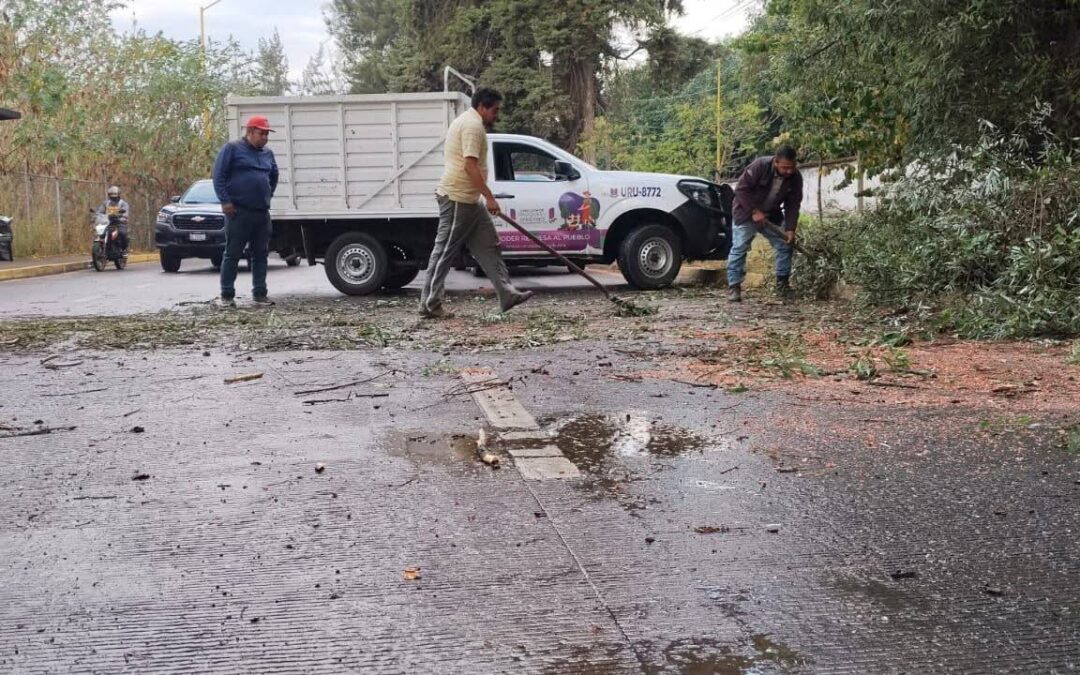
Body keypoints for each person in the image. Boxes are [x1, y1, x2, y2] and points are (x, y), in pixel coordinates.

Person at [418, 87, 532, 319]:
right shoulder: (472, 126)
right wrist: (490, 197)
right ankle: (429, 304)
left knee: (489, 245)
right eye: (495, 110)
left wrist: (483, 197)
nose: (496, 115)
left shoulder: (470, 122)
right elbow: (469, 166)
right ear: (482, 107)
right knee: (444, 252)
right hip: (458, 198)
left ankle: (506, 293)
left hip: (470, 199)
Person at [212, 115, 279, 307]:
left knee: (261, 254)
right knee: (232, 253)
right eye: (261, 133)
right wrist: (225, 201)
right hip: (238, 212)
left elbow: (274, 175)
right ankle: (227, 296)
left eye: (267, 134)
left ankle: (259, 294)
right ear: (249, 132)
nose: (265, 137)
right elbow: (219, 176)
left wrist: (267, 194)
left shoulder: (268, 153)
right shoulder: (232, 149)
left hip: (261, 213)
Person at [726, 145, 803, 302]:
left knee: (785, 245)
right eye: (785, 168)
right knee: (739, 247)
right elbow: (741, 190)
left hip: (772, 214)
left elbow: (793, 204)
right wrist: (754, 211)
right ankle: (734, 287)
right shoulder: (759, 166)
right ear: (776, 162)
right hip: (746, 213)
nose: (789, 171)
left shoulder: (795, 177)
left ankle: (782, 285)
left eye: (792, 167)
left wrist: (790, 229)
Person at [97, 186, 129, 254]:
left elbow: (125, 214)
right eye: (111, 196)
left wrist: (121, 218)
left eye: (115, 196)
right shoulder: (105, 203)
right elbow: (100, 212)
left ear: (118, 195)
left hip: (119, 223)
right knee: (100, 232)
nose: (113, 198)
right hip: (108, 223)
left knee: (122, 233)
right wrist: (98, 216)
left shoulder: (123, 204)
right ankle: (104, 248)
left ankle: (124, 250)